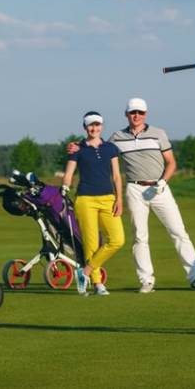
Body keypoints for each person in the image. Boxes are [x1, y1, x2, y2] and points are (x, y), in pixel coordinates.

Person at [70, 98, 195, 293]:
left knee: (178, 232)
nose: (137, 116)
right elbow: (95, 144)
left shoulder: (158, 134)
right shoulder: (117, 137)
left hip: (160, 187)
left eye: (140, 113)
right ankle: (146, 281)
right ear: (127, 114)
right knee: (140, 237)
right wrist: (76, 145)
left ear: (146, 114)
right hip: (135, 190)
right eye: (133, 112)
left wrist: (162, 181)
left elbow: (171, 163)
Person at [62, 111, 125, 296]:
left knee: (117, 240)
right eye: (90, 125)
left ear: (102, 126)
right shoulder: (77, 149)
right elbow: (68, 174)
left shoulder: (111, 148)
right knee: (91, 244)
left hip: (108, 199)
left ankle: (85, 272)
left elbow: (116, 176)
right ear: (85, 127)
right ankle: (98, 284)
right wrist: (64, 188)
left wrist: (120, 198)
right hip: (85, 200)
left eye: (97, 125)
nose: (94, 128)